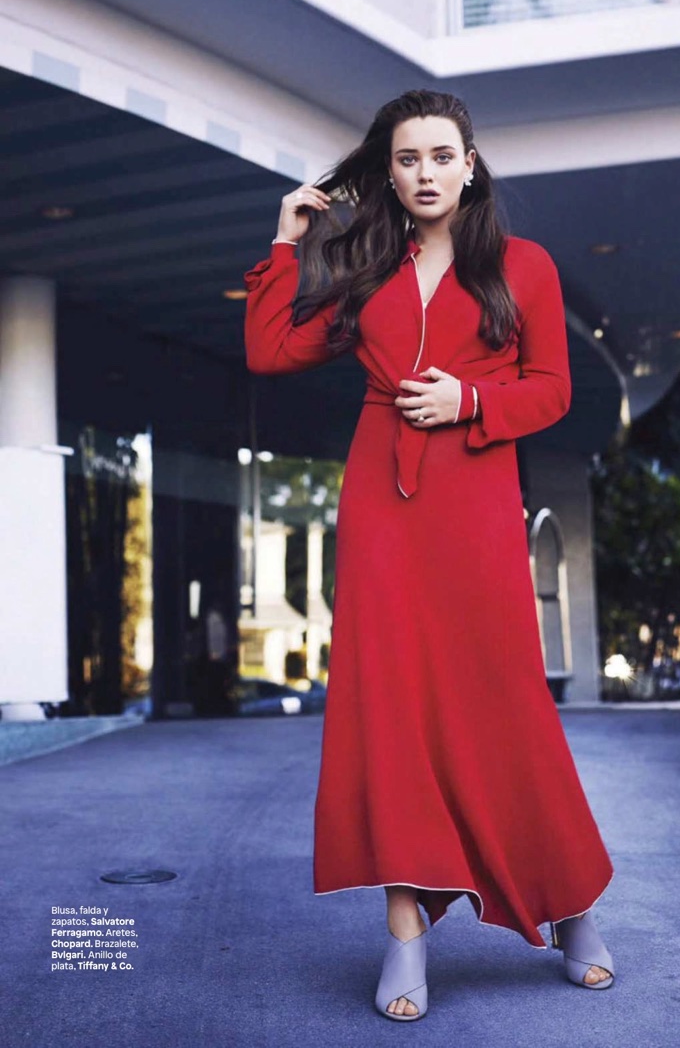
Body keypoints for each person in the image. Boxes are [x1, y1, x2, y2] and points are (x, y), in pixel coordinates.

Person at [243, 88, 615, 1022]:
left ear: (470, 163)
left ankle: (571, 908)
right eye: (407, 159)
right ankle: (405, 929)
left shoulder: (522, 265)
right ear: (391, 168)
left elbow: (554, 390)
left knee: (505, 702)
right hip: (381, 503)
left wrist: (473, 405)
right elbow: (271, 351)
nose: (424, 174)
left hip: (477, 498)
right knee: (390, 709)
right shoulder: (367, 264)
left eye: (441, 156)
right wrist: (287, 243)